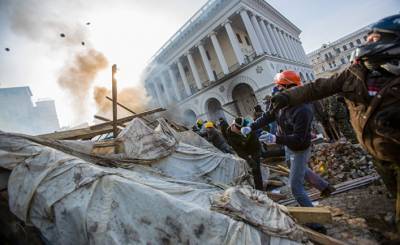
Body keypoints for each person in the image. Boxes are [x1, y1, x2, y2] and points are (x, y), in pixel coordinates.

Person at [271, 15, 400, 229]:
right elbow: (318, 87)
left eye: (373, 39)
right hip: (378, 155)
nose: (366, 44)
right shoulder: (354, 73)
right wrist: (288, 97)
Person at [243, 70, 334, 234]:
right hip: (288, 145)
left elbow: (299, 139)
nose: (275, 90)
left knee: (295, 187)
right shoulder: (280, 102)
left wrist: (275, 139)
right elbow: (268, 116)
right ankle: (324, 186)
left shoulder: (303, 109)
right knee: (297, 169)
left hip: (300, 148)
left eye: (278, 87)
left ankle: (316, 224)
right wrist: (252, 126)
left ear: (288, 87)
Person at [225, 117, 263, 190]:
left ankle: (260, 190)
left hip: (254, 148)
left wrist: (254, 157)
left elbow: (255, 143)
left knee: (256, 170)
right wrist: (248, 159)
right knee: (247, 170)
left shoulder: (247, 129)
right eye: (239, 129)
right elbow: (239, 150)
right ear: (233, 125)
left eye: (242, 129)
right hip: (244, 151)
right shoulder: (229, 134)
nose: (240, 131)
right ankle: (250, 187)